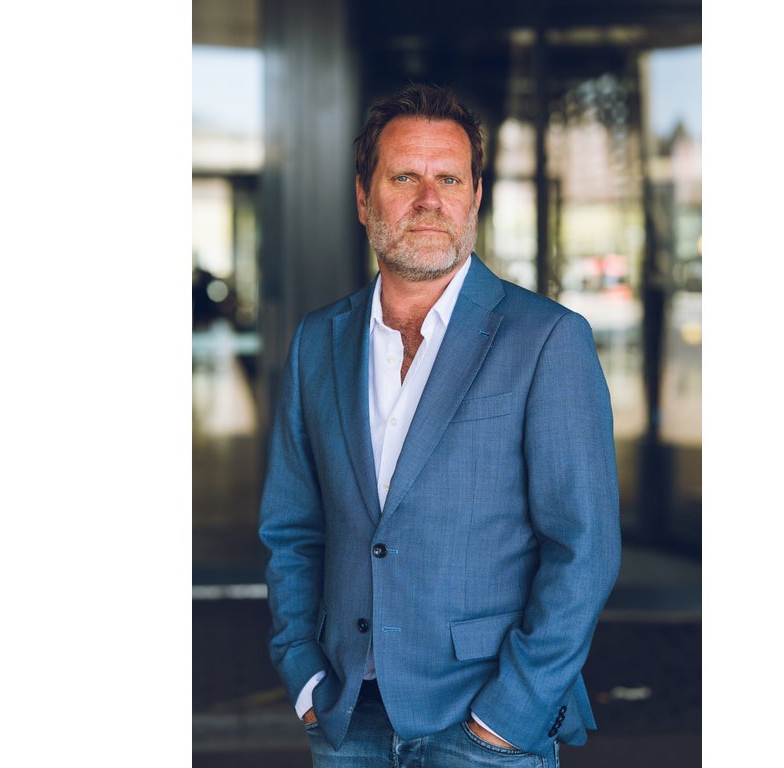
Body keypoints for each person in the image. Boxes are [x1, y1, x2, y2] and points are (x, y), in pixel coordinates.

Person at [258, 83, 621, 768]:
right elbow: (291, 526)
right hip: (346, 719)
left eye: (449, 179)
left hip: (484, 725)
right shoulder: (318, 341)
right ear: (363, 198)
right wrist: (302, 669)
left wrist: (509, 715)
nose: (429, 200)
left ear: (475, 197)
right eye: (405, 178)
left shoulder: (547, 339)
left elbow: (584, 547)